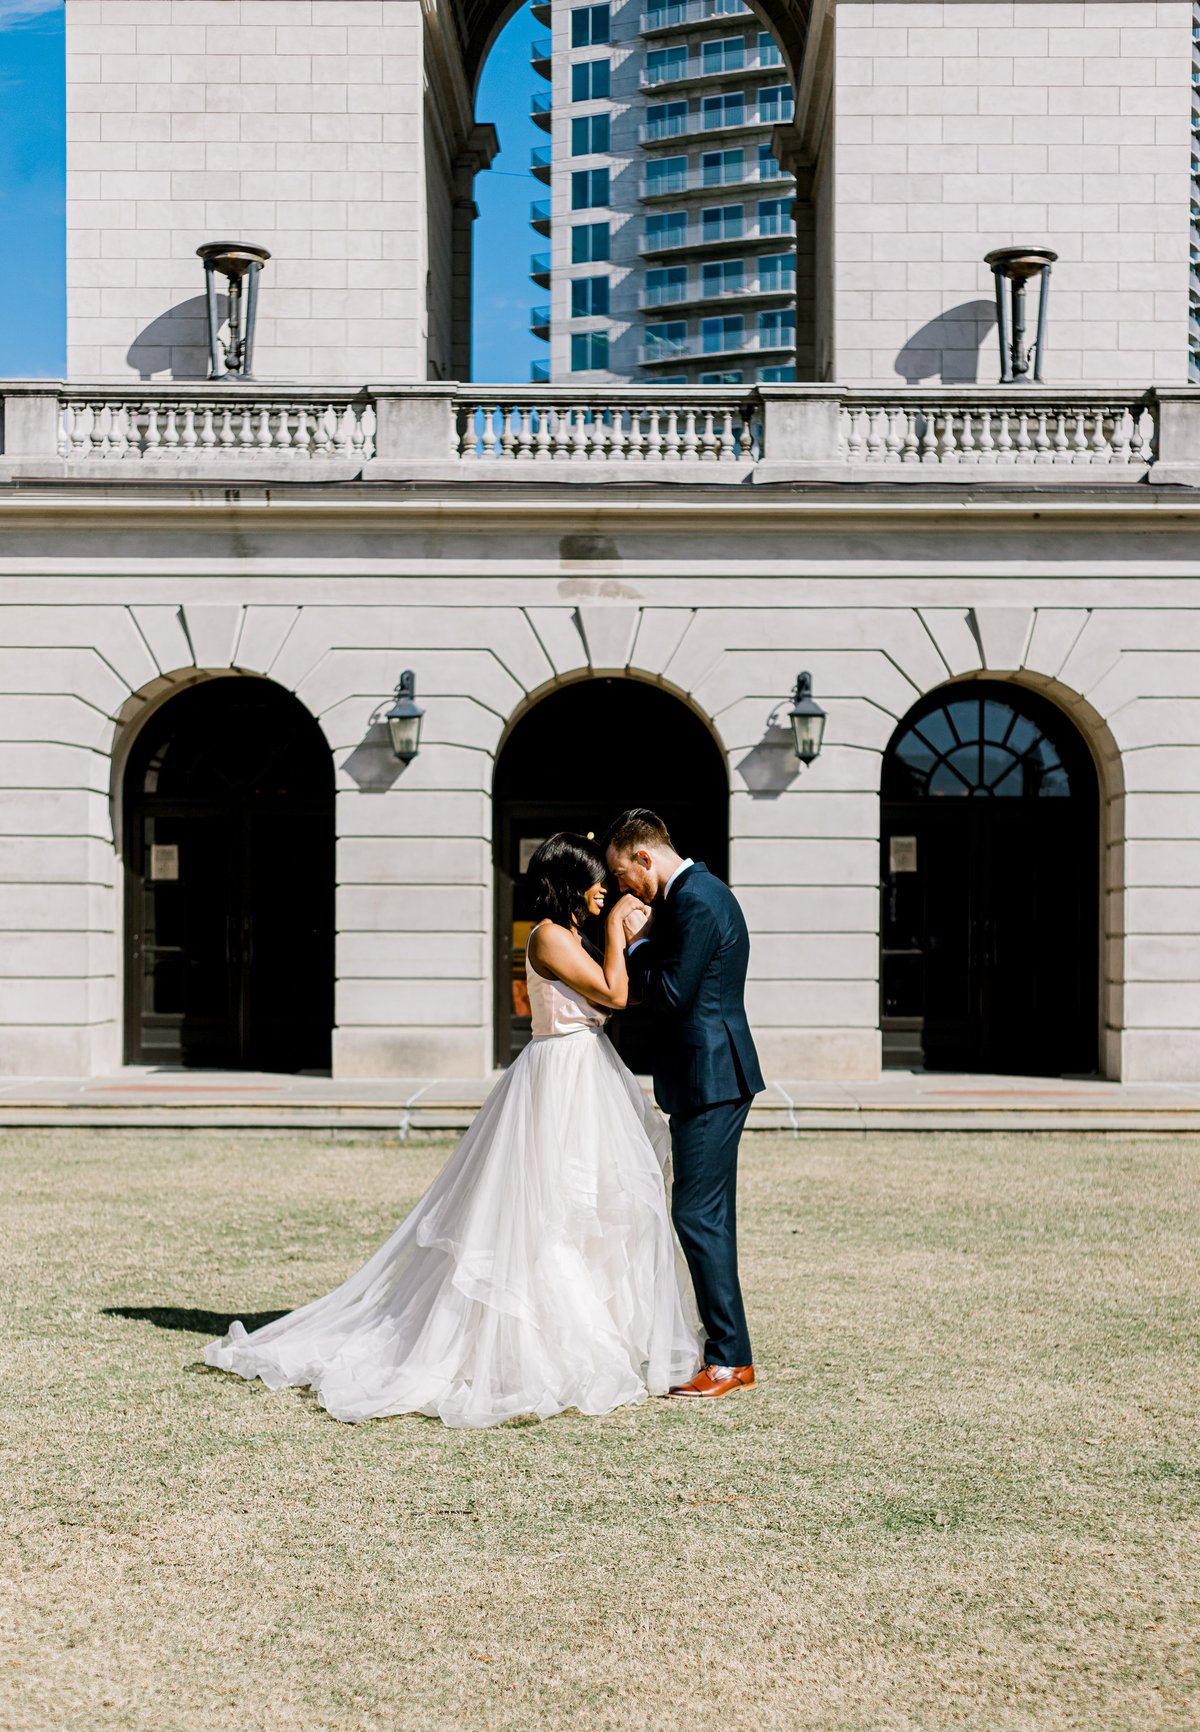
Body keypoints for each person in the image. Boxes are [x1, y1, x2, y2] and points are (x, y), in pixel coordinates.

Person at [204, 832, 701, 1428]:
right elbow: (616, 994)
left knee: (590, 1208)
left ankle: (603, 1330)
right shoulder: (547, 935)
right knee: (545, 1210)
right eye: (599, 881)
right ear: (571, 880)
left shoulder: (572, 936)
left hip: (587, 1074)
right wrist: (622, 924)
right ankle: (538, 1344)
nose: (608, 891)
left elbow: (612, 992)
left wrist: (624, 933)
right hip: (558, 1079)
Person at [604, 808, 764, 1400]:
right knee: (706, 1214)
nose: (625, 889)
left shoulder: (696, 899)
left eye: (625, 876)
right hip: (709, 1075)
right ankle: (728, 1352)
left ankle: (728, 1360)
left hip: (711, 1077)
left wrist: (636, 941)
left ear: (645, 857)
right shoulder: (697, 894)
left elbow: (671, 994)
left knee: (697, 1215)